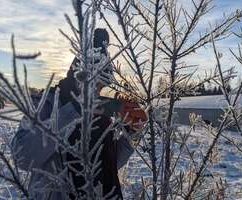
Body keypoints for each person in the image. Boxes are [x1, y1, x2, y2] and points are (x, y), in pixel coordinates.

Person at [12, 28, 146, 200]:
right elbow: (23, 157)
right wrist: (75, 110)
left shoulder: (102, 114)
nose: (96, 91)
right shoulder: (47, 103)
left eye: (100, 86)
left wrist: (129, 133)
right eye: (92, 83)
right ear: (76, 75)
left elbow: (108, 165)